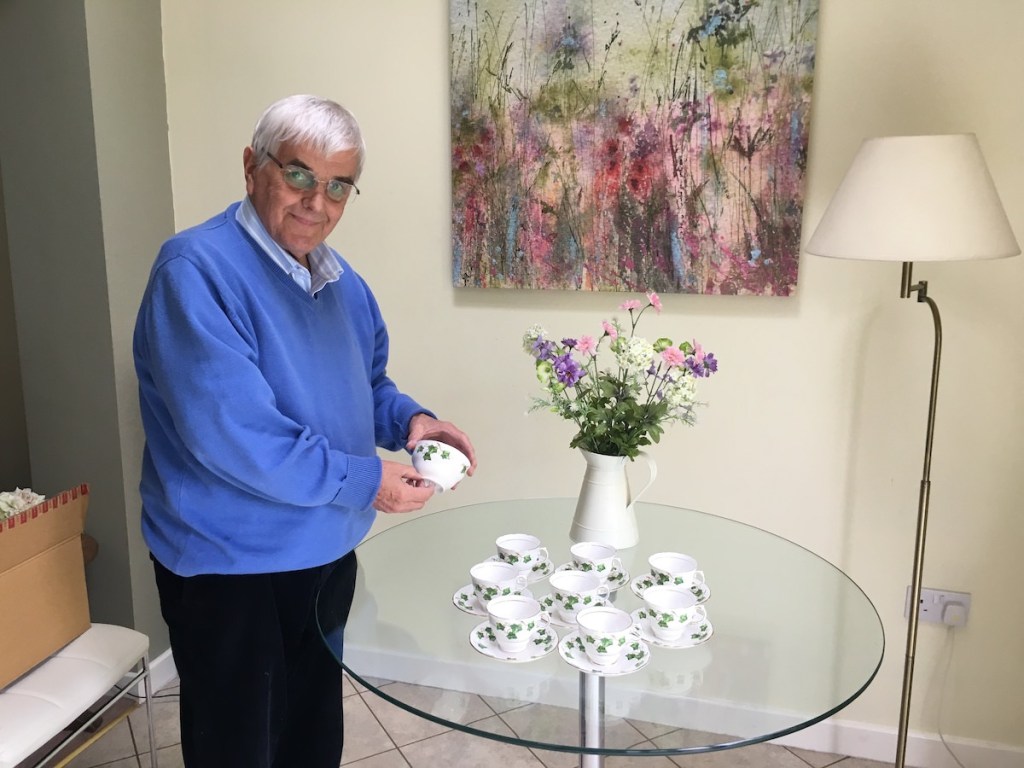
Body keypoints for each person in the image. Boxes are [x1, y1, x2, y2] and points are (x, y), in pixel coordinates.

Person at [133, 94, 476, 768]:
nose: (316, 202)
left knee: (312, 744)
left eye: (338, 186)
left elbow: (366, 385)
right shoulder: (194, 272)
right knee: (239, 751)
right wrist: (365, 481)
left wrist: (412, 421)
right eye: (298, 175)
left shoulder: (344, 284)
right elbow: (237, 438)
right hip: (231, 568)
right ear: (251, 166)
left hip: (323, 553)